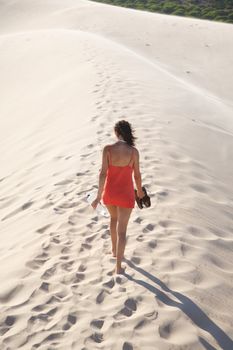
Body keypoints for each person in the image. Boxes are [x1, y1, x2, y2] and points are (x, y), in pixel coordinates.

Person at [91, 120, 144, 274]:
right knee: (122, 231)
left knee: (113, 219)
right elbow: (137, 176)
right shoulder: (133, 152)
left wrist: (97, 196)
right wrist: (139, 192)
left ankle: (114, 251)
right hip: (126, 195)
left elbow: (102, 174)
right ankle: (118, 267)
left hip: (110, 193)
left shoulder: (107, 150)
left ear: (117, 133)